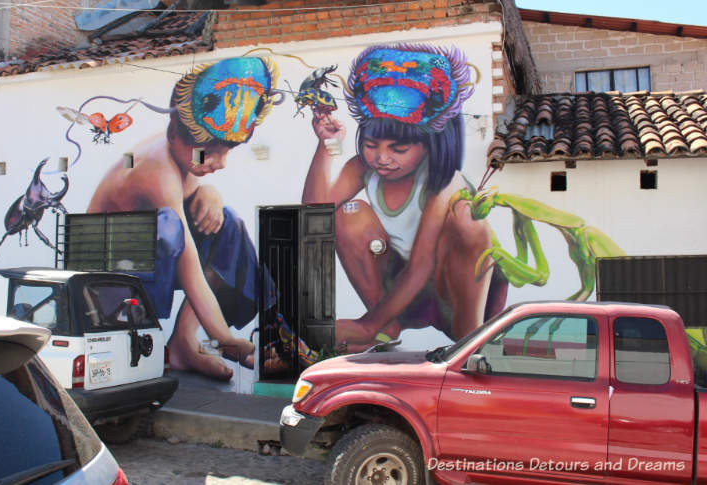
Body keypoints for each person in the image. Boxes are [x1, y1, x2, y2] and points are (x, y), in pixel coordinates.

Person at [302, 44, 507, 351]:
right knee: (348, 213)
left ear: (428, 145)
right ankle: (388, 324)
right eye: (372, 145)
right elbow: (314, 212)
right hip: (403, 291)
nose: (382, 158)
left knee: (469, 222)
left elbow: (422, 265)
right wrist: (325, 146)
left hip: (452, 291)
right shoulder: (361, 168)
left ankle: (470, 340)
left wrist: (365, 325)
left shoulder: (445, 182)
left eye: (398, 149)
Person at [88, 56, 278, 380]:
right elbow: (188, 264)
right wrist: (225, 339)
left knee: (228, 222)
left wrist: (210, 193)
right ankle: (187, 340)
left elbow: (190, 188)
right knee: (173, 228)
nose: (219, 162)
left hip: (147, 252)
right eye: (209, 153)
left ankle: (184, 343)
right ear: (174, 132)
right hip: (114, 262)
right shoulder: (156, 171)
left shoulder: (181, 159)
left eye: (227, 151)